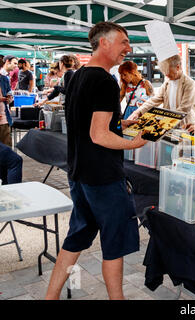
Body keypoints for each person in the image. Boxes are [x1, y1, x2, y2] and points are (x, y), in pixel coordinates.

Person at [45, 21, 148, 300]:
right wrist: (134, 142)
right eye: (123, 42)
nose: (128, 48)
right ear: (104, 43)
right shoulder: (105, 80)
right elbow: (99, 135)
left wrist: (120, 122)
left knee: (77, 237)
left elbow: (88, 123)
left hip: (79, 173)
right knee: (114, 243)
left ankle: (50, 296)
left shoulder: (77, 76)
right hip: (103, 176)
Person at [128, 55, 195, 128]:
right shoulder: (167, 83)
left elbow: (184, 109)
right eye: (164, 72)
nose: (166, 75)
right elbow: (155, 100)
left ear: (177, 67)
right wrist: (138, 112)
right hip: (170, 125)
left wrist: (160, 119)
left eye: (168, 72)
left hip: (186, 126)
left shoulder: (189, 84)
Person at [0, 55, 16, 146]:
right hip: (3, 118)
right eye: (14, 63)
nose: (16, 66)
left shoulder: (5, 78)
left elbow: (8, 95)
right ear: (6, 62)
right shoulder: (3, 77)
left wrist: (9, 99)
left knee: (6, 146)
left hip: (4, 118)